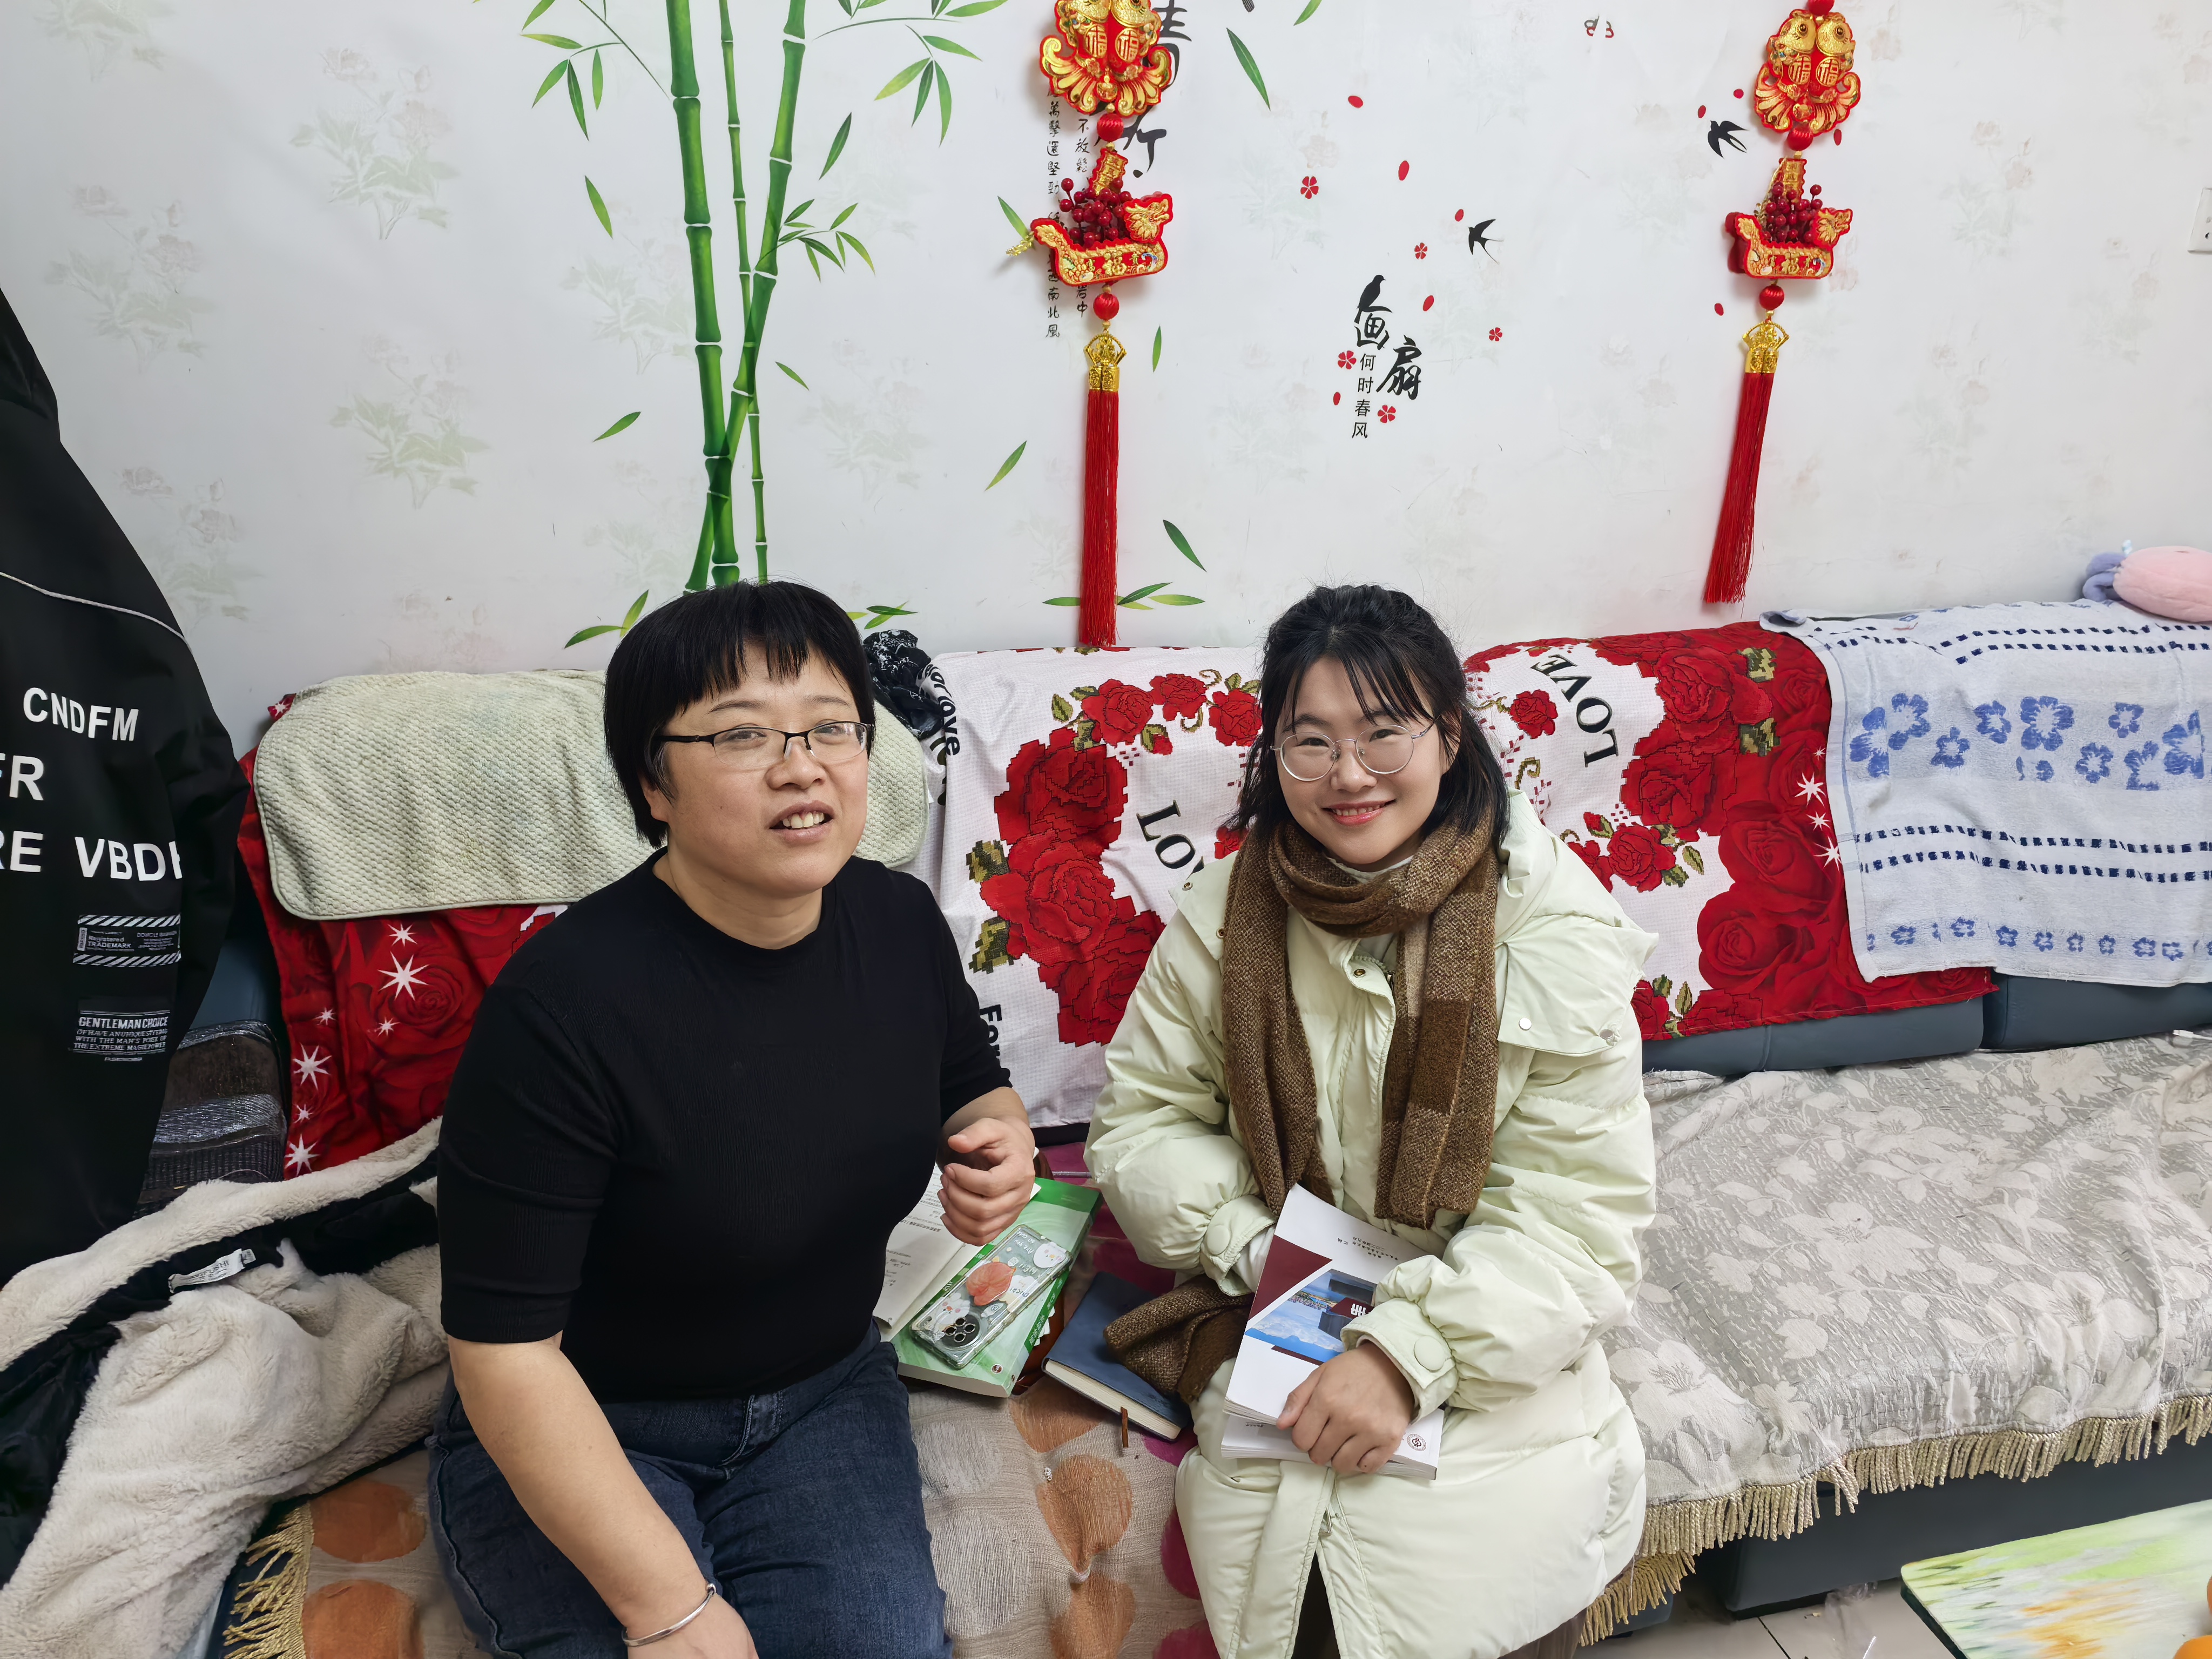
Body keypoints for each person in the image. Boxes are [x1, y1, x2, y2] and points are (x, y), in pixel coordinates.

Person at [430, 581, 1035, 1658]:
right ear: (650, 785)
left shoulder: (898, 921)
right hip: (588, 1415)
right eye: (741, 734)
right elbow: (505, 1355)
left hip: (823, 1394)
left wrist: (1003, 1140)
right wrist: (668, 1611)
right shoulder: (561, 1008)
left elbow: (971, 1081)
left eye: (831, 726)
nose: (801, 766)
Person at [1087, 585, 1657, 1659]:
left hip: (1485, 1328)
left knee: (1461, 1582)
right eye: (1311, 741)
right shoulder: (1228, 912)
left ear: (1448, 735)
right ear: (1274, 754)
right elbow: (1143, 1119)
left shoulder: (1548, 928)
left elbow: (1574, 1221)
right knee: (1299, 1586)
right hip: (1283, 1301)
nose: (1348, 775)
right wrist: (1256, 1251)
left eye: (1383, 732)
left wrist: (1404, 1356)